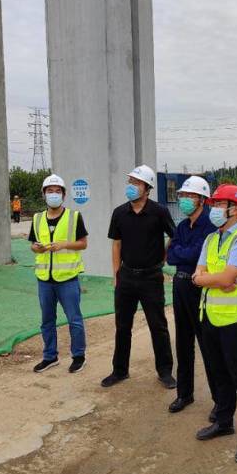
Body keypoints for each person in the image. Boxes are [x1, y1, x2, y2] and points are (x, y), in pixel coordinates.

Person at [192, 184, 237, 465]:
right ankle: (224, 421)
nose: (215, 209)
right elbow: (199, 274)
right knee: (218, 373)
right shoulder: (211, 239)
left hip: (235, 320)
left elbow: (225, 278)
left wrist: (213, 279)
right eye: (214, 204)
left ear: (236, 210)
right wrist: (214, 280)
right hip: (209, 316)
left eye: (220, 204)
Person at [102, 164, 177, 389]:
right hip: (126, 277)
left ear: (147, 187)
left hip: (151, 278)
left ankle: (165, 371)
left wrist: (163, 257)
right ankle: (119, 370)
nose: (131, 186)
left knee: (158, 326)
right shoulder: (119, 213)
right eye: (130, 182)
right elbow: (116, 244)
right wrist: (116, 274)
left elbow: (174, 236)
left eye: (136, 183)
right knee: (122, 326)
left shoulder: (159, 212)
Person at [166, 176, 218, 417]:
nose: (185, 200)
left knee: (208, 345)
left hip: (200, 288)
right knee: (183, 342)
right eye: (183, 196)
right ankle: (184, 393)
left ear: (202, 200)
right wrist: (183, 253)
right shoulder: (182, 226)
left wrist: (182, 252)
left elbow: (199, 255)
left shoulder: (210, 226)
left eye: (190, 196)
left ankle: (220, 401)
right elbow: (171, 256)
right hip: (180, 285)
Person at [28, 174, 89, 374]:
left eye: (57, 191)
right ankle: (50, 356)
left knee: (74, 319)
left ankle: (78, 356)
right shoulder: (37, 219)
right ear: (44, 194)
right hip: (44, 279)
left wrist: (63, 245)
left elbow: (83, 243)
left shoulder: (74, 216)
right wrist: (37, 248)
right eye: (49, 191)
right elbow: (32, 245)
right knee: (47, 320)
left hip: (67, 278)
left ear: (63, 195)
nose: (53, 194)